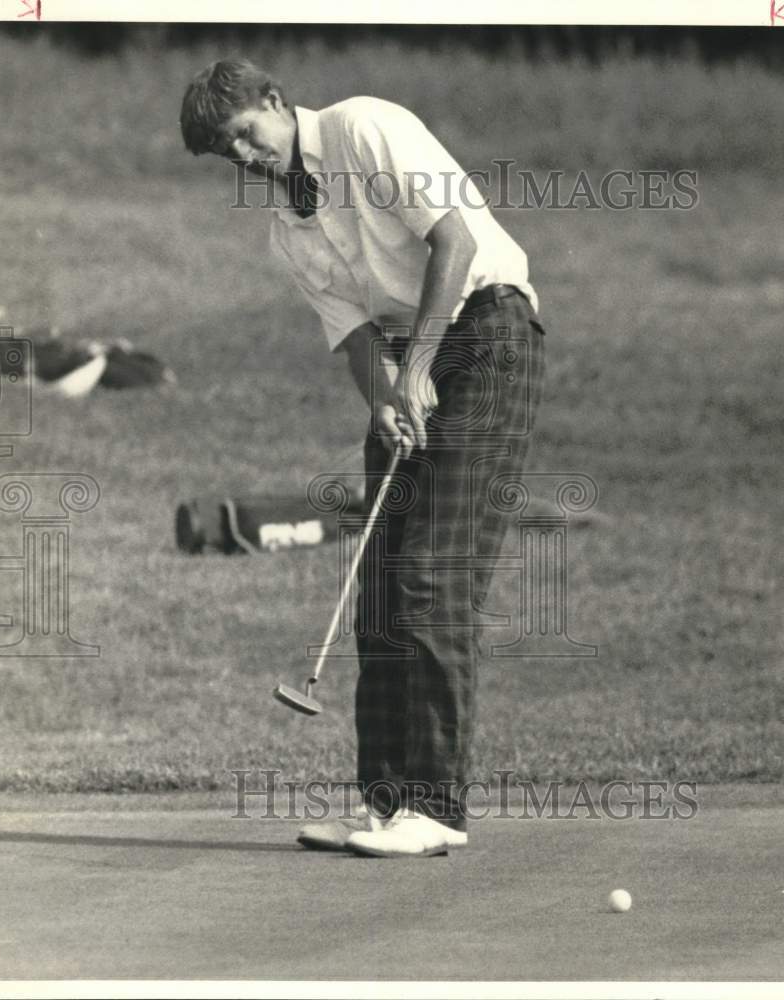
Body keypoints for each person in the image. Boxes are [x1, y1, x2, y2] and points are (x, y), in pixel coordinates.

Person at [181, 59, 545, 857]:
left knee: (434, 574)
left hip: (488, 336)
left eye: (244, 133)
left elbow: (454, 240)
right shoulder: (290, 230)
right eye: (225, 152)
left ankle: (436, 807)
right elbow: (351, 338)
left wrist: (416, 368)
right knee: (380, 586)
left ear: (275, 103)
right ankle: (385, 805)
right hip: (405, 355)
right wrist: (384, 399)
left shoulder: (362, 125)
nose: (243, 156)